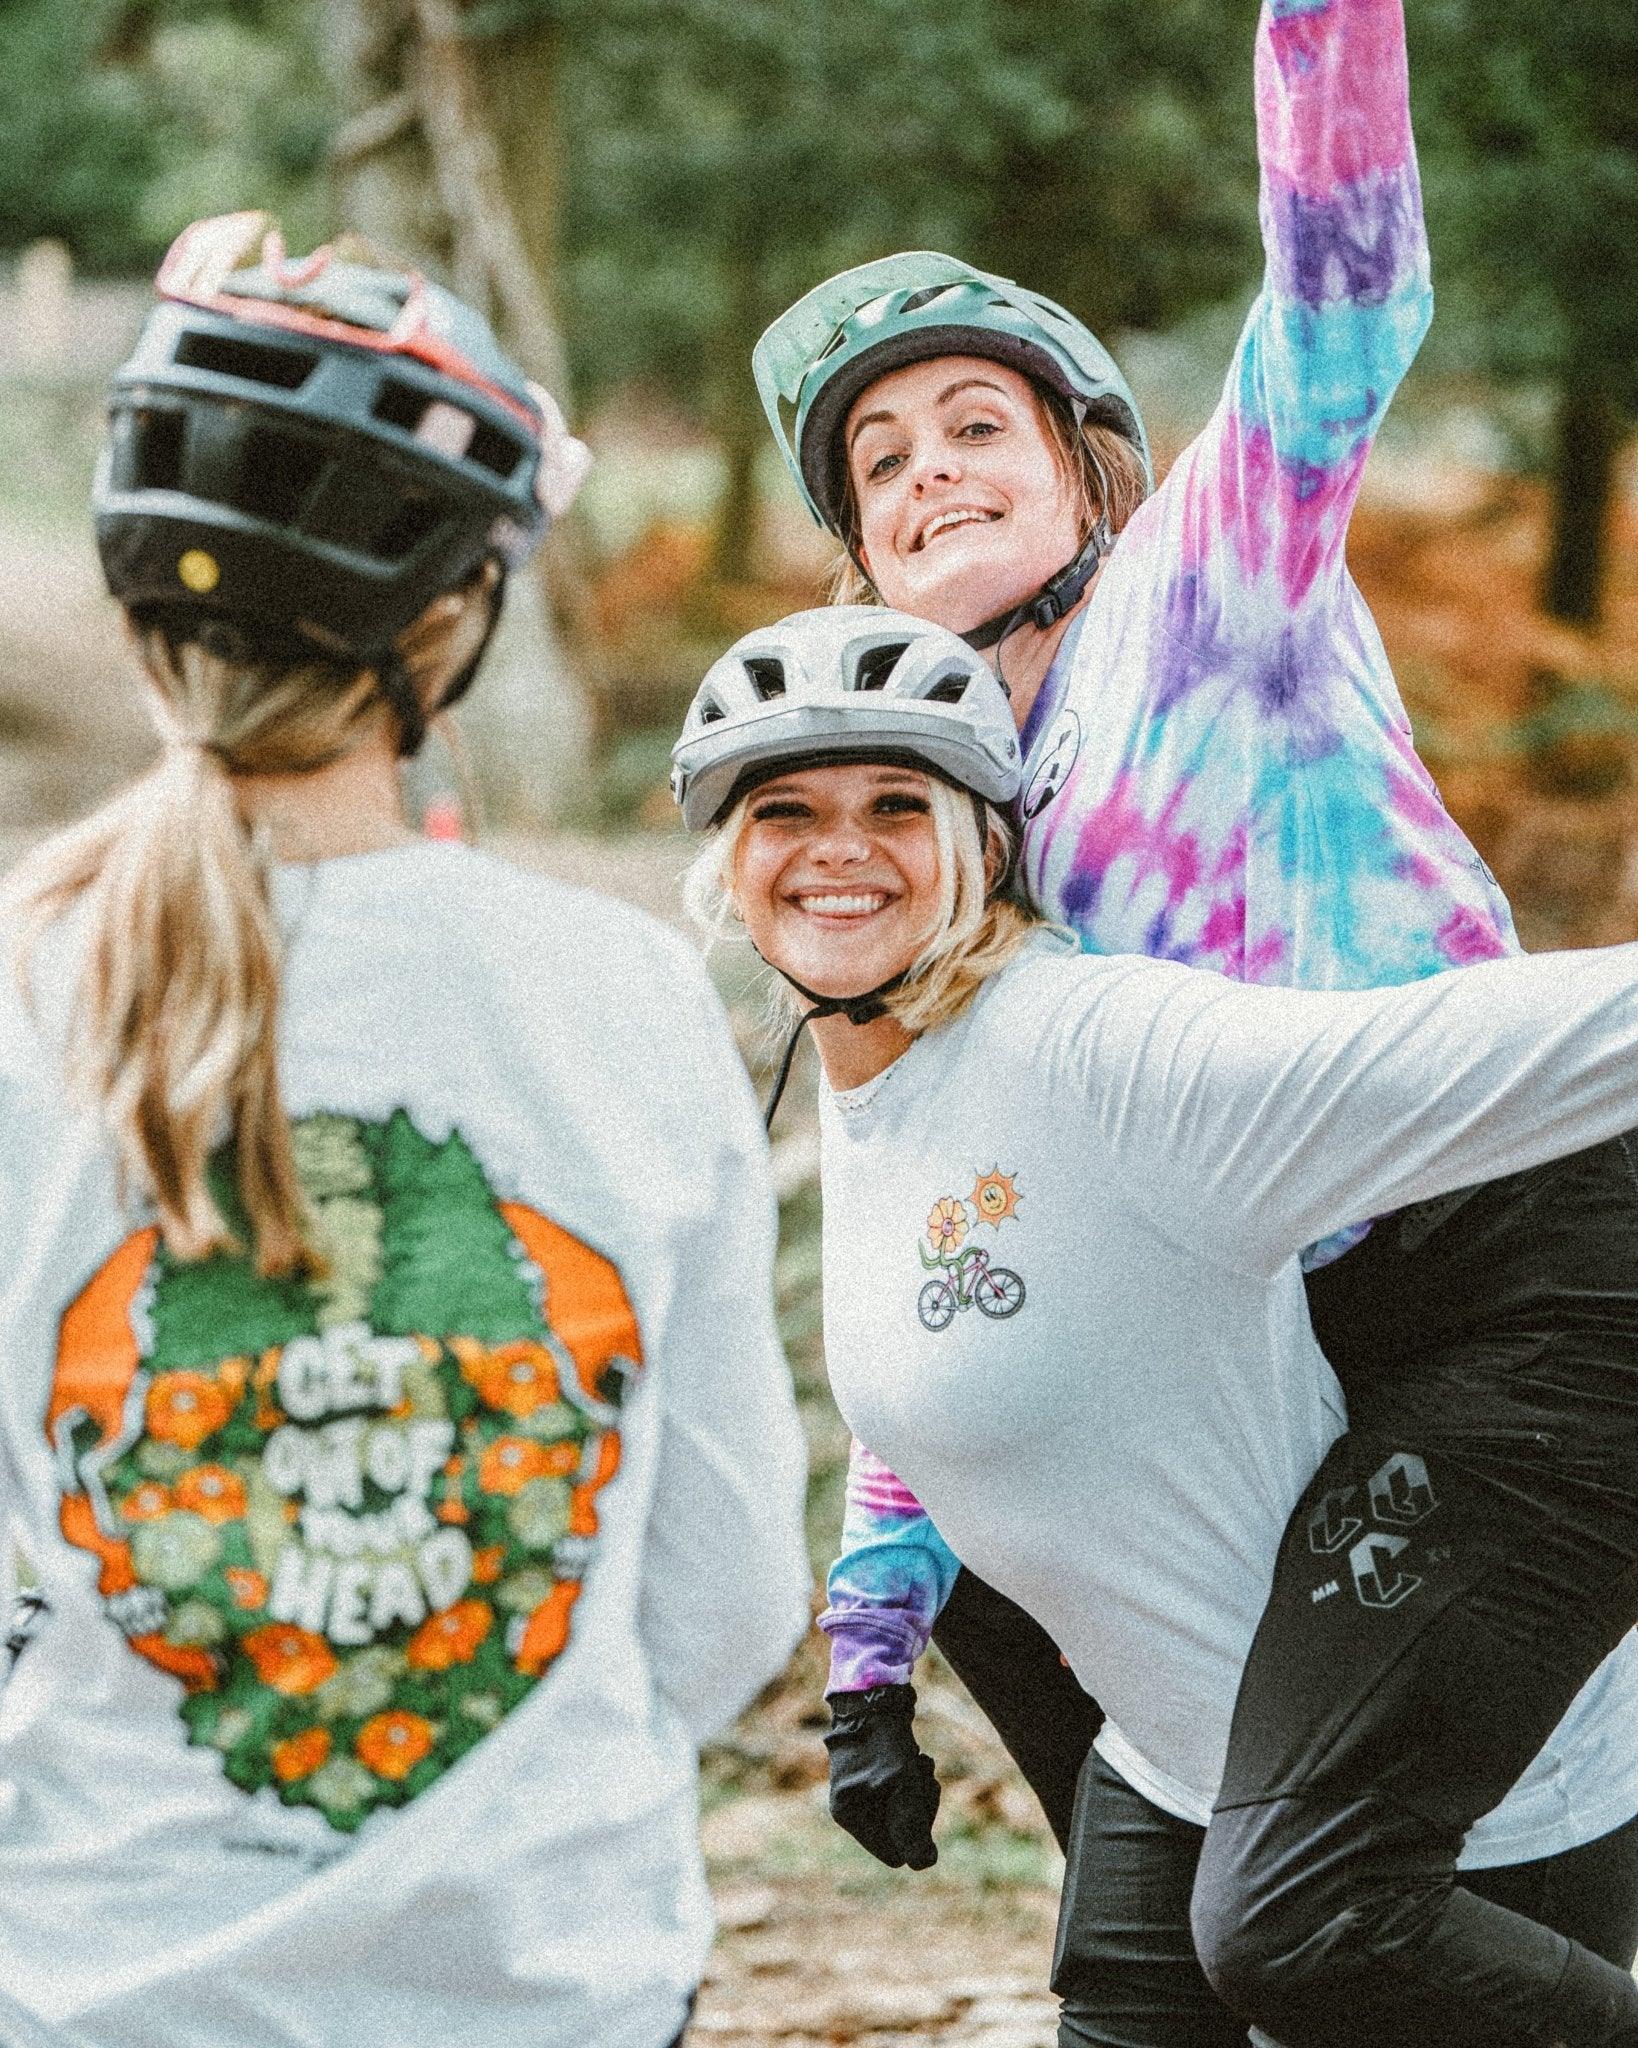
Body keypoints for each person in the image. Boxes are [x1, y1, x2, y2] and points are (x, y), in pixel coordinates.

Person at [749, 0, 1638, 2039]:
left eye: (973, 424)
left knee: (1310, 1913)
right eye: (883, 466)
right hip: (1293, 1320)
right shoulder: (959, 840)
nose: (929, 473)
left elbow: (1342, 292)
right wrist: (872, 1634)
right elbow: (957, 1238)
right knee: (1171, 1896)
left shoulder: (1211, 580)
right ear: (865, 561)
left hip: (1523, 1249)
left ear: (1083, 464)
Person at [0, 212, 810, 2048]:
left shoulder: (21, 987)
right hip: (540, 1983)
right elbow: (729, 1582)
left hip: (96, 1986)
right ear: (451, 623)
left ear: (139, 609)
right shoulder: (619, 997)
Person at [674, 609, 1638, 2048]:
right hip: (1178, 1773)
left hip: (1449, 1825)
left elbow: (1507, 1047)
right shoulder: (869, 1077)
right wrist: (866, 1659)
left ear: (984, 847)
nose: (837, 847)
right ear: (727, 861)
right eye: (784, 810)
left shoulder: (1102, 1056)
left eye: (895, 805)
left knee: (1304, 1938)